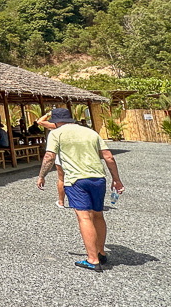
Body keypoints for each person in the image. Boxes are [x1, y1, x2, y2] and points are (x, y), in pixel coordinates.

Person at [37, 107, 125, 271]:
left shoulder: (56, 133)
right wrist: (117, 179)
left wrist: (42, 175)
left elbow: (49, 157)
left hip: (76, 180)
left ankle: (92, 260)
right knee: (98, 215)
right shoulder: (90, 132)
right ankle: (100, 252)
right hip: (98, 178)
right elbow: (108, 156)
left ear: (56, 121)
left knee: (84, 217)